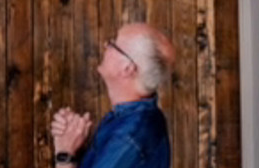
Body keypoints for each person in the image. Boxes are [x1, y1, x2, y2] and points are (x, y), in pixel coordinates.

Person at [50, 23, 176, 167]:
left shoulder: (127, 140)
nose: (105, 46)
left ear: (127, 68)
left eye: (113, 45)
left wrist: (64, 153)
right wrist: (72, 138)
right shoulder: (136, 116)